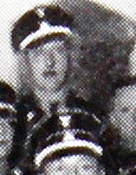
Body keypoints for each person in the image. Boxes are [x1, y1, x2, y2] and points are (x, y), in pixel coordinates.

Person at [11, 4, 92, 146]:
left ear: (70, 56)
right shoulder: (13, 121)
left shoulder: (90, 117)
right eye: (39, 53)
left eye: (58, 50)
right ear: (25, 61)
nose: (50, 62)